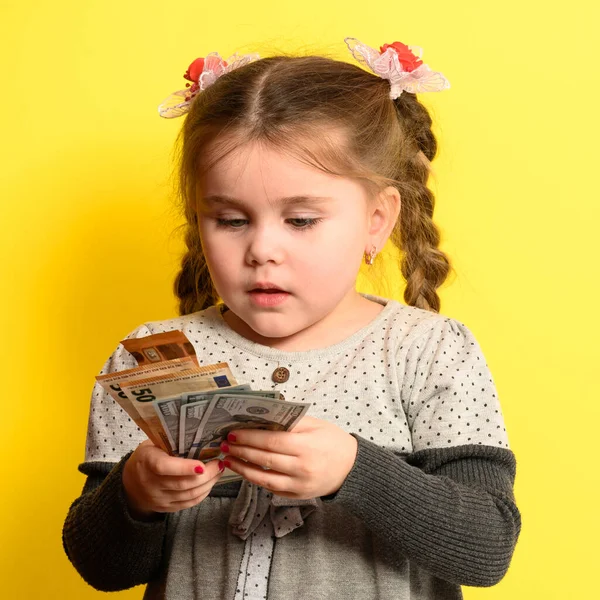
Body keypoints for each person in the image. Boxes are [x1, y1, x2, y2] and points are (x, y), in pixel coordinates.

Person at [62, 37, 521, 600]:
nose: (262, 250)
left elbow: (486, 546)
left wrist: (355, 470)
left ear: (376, 220)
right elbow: (103, 569)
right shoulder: (152, 357)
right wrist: (134, 493)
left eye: (300, 220)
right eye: (231, 220)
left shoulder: (427, 352)